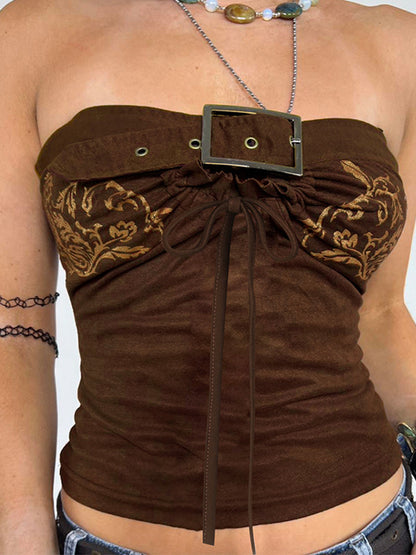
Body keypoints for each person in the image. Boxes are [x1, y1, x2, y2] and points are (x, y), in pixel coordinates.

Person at [0, 0, 415, 553]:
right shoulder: (32, 33)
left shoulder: (398, 44)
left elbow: (383, 313)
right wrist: (19, 535)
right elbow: (16, 328)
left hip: (375, 530)